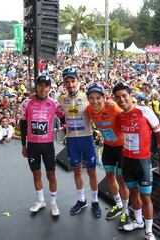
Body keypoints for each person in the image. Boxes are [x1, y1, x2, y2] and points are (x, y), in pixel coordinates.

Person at [112, 82, 160, 240]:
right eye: (118, 97)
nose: (122, 100)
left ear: (131, 96)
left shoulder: (145, 111)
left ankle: (149, 231)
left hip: (143, 161)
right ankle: (138, 221)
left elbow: (159, 135)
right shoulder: (121, 115)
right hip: (127, 161)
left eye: (124, 96)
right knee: (133, 194)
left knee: (146, 198)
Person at [85, 83, 130, 228]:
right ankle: (118, 204)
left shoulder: (111, 107)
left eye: (98, 98)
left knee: (121, 180)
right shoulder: (88, 110)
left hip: (122, 148)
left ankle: (126, 210)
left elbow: (126, 113)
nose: (95, 101)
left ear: (104, 98)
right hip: (108, 147)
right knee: (109, 176)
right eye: (91, 98)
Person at [59, 67, 101, 218]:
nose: (70, 84)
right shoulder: (61, 99)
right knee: (77, 170)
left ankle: (95, 201)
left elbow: (101, 107)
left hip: (87, 138)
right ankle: (81, 200)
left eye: (73, 81)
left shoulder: (88, 98)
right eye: (67, 82)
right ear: (64, 83)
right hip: (72, 140)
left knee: (91, 171)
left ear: (78, 81)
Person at [20, 75, 64, 217]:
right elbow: (23, 124)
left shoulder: (54, 103)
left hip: (48, 146)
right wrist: (23, 145)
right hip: (32, 146)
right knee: (36, 174)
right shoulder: (26, 103)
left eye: (46, 86)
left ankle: (53, 203)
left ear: (50, 88)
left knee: (51, 174)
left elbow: (64, 117)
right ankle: (40, 200)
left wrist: (66, 129)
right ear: (36, 86)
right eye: (40, 85)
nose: (43, 88)